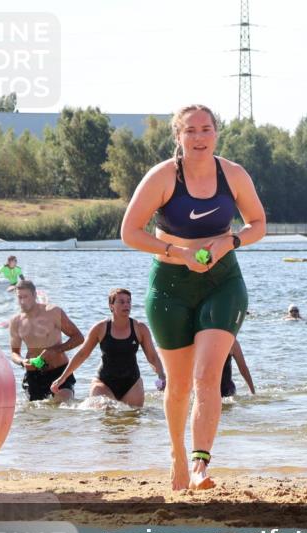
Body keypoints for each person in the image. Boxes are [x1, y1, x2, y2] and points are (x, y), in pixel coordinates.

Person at [120, 103, 266, 491]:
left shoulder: (232, 174)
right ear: (178, 137)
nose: (199, 138)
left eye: (206, 129)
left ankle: (202, 463)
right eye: (191, 131)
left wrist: (230, 240)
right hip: (170, 284)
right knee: (179, 383)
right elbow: (130, 232)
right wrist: (177, 253)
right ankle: (178, 457)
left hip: (223, 281)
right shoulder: (164, 177)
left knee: (207, 376)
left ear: (217, 133)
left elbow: (258, 224)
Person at [49, 288, 165, 407]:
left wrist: (162, 376)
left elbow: (152, 357)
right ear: (111, 305)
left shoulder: (140, 328)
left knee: (133, 419)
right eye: (121, 301)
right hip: (104, 383)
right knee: (105, 414)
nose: (127, 305)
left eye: (129, 301)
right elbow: (82, 354)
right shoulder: (100, 328)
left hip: (132, 384)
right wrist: (62, 378)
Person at [9, 280, 84, 402]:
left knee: (63, 405)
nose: (22, 301)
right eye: (19, 297)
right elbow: (14, 353)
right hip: (34, 375)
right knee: (37, 416)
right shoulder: (15, 321)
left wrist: (55, 350)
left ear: (34, 295)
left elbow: (78, 337)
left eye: (26, 297)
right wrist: (23, 362)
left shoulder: (53, 312)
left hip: (59, 371)